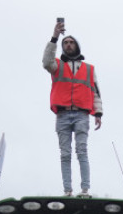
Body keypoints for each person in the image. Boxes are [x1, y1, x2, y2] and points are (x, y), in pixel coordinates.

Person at [43, 21, 103, 196]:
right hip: (62, 114)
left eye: (71, 42)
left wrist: (98, 113)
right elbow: (46, 61)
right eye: (65, 43)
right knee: (65, 153)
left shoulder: (89, 69)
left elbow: (96, 91)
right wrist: (54, 37)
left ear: (76, 46)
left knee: (82, 150)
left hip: (81, 114)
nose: (68, 45)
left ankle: (85, 189)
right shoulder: (56, 65)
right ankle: (67, 190)